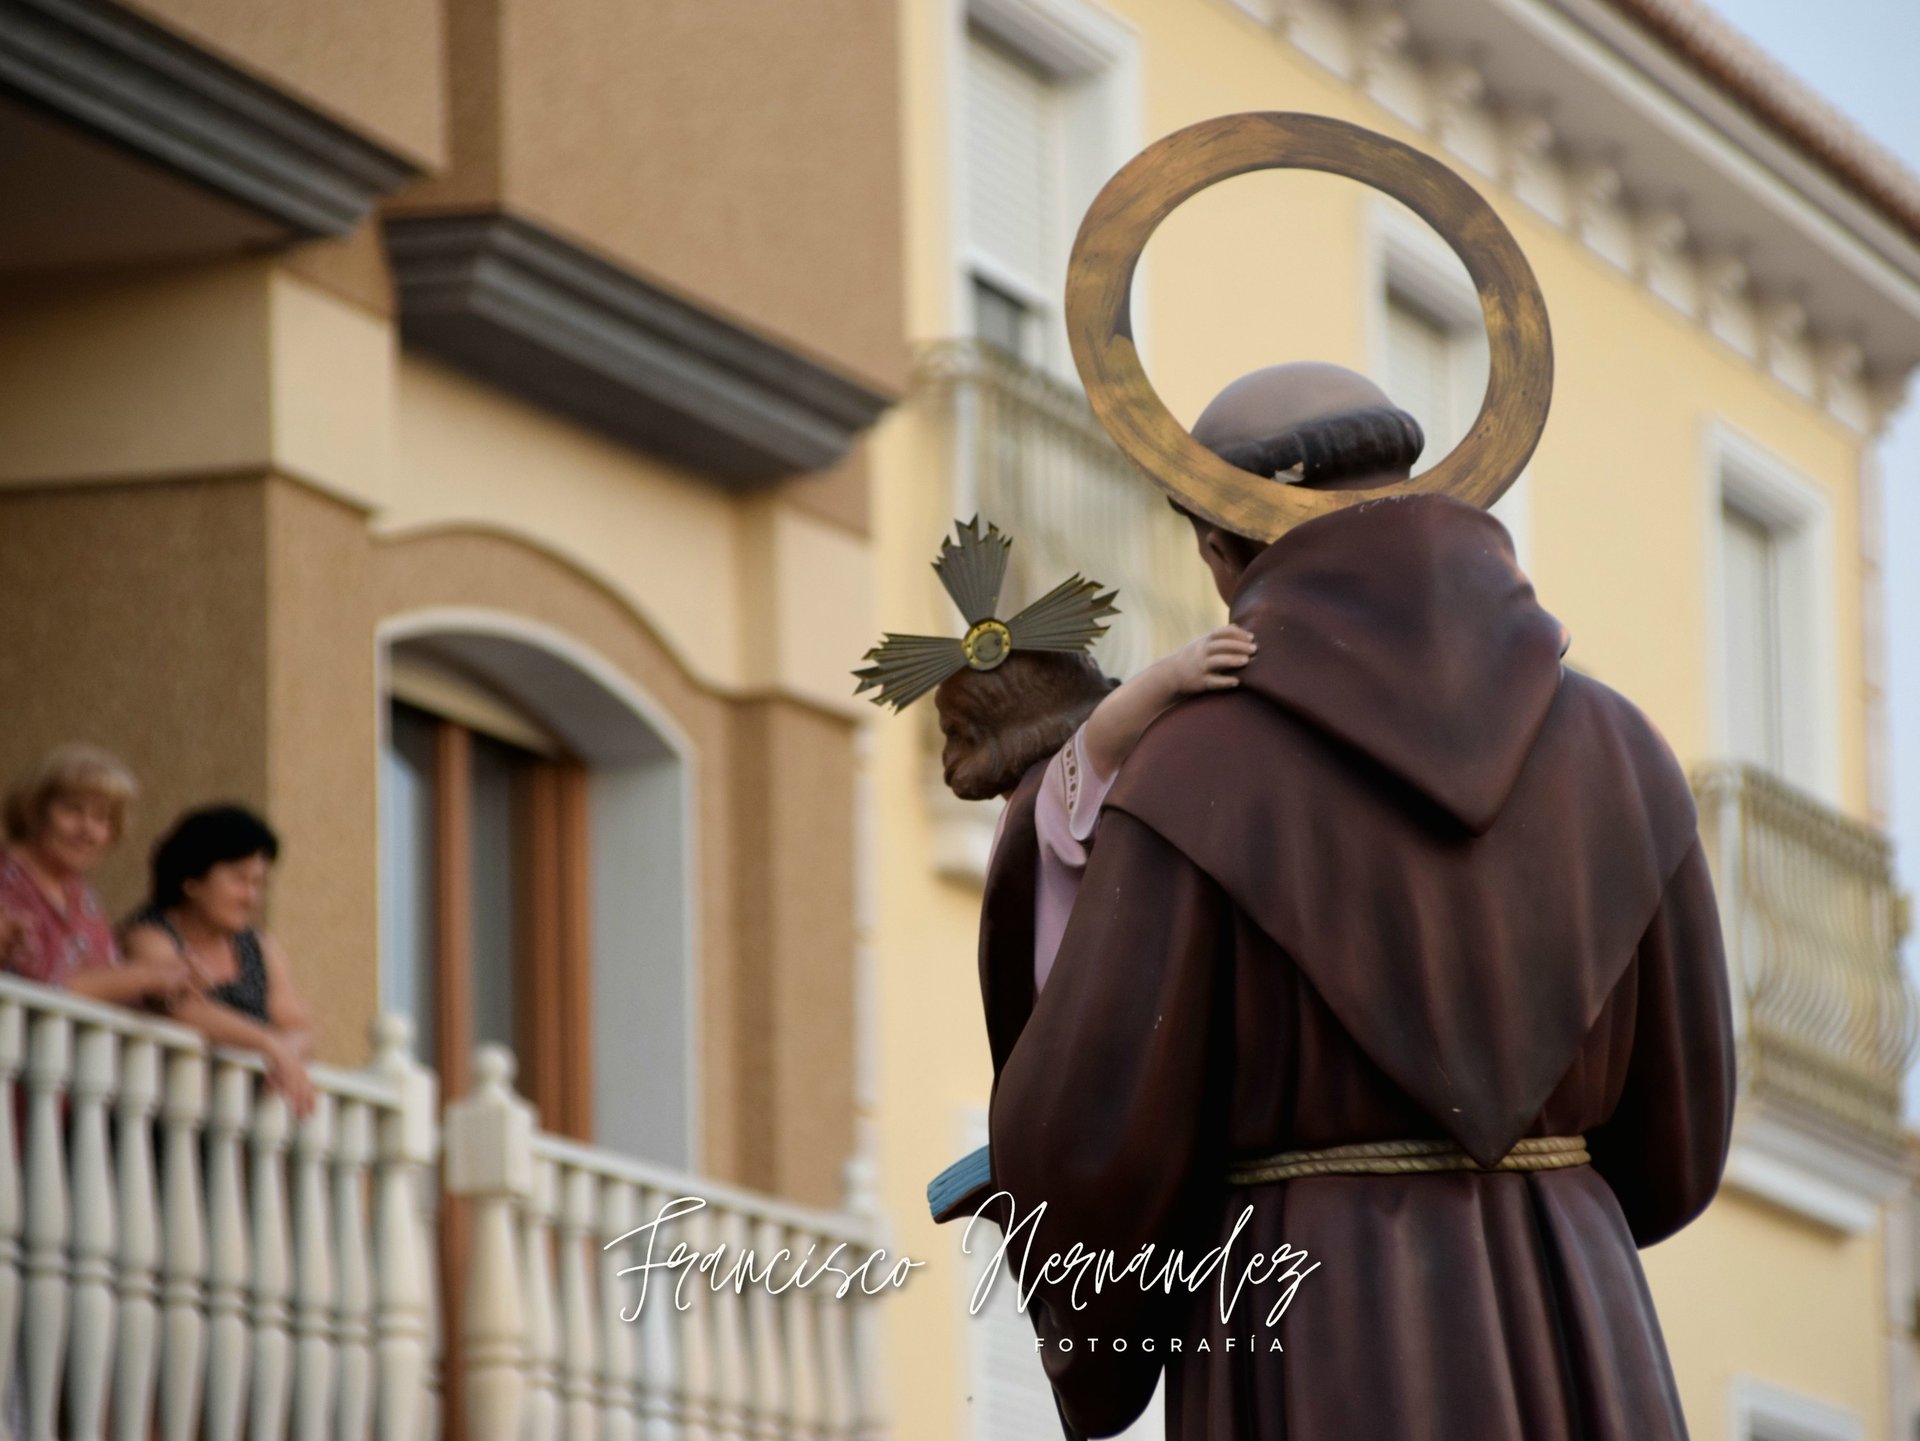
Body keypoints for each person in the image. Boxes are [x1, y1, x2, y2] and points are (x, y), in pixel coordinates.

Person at [972, 363, 1734, 1439]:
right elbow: (1678, 1153)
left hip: (1314, 1326)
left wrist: (1090, 759)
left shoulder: (1193, 771)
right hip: (1577, 1315)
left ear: (1220, 548)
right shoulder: (1621, 752)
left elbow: (1095, 1138)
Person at [940, 623, 1256, 992]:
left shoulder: (1025, 812)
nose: (948, 755)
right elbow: (1103, 732)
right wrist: (1175, 673)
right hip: (1093, 998)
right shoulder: (1049, 795)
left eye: (953, 734)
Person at [122, 805, 318, 1116]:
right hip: (164, 1115)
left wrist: (288, 1055)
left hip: (237, 1126)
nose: (251, 897)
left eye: (259, 883)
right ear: (192, 880)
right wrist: (269, 1045)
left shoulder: (259, 947)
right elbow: (181, 1006)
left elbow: (297, 1023)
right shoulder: (150, 935)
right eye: (239, 880)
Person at [0, 744, 194, 1006]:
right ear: (35, 811)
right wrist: (143, 976)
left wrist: (170, 984)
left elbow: (104, 987)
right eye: (72, 810)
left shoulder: (81, 896)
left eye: (102, 818)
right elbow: (43, 987)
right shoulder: (7, 876)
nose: (88, 831)